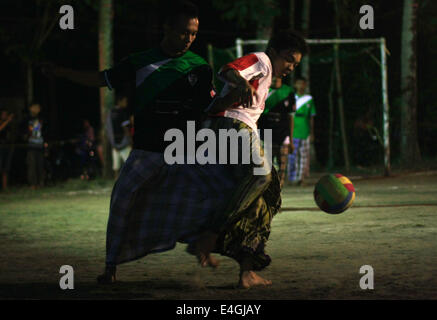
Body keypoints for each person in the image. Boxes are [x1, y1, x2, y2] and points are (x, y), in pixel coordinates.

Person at [42, 1, 220, 283]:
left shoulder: (199, 67)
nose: (189, 39)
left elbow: (211, 108)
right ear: (167, 29)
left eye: (194, 34)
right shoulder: (140, 61)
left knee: (211, 198)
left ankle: (205, 248)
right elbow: (103, 79)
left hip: (184, 151)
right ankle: (110, 267)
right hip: (147, 150)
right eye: (184, 32)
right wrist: (65, 73)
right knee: (122, 201)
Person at [199, 29, 307, 288]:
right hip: (230, 125)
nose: (291, 67)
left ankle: (246, 270)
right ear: (274, 51)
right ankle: (212, 235)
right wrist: (240, 82)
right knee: (262, 174)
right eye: (288, 59)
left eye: (295, 64)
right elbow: (227, 69)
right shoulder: (261, 60)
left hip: (240, 129)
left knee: (265, 199)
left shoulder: (270, 74)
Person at [258, 77, 296, 187]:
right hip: (266, 133)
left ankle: (278, 188)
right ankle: (266, 189)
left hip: (283, 133)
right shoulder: (263, 90)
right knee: (266, 165)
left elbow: (291, 117)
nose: (275, 79)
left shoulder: (288, 92)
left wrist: (291, 140)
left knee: (282, 165)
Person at [288, 76, 316, 185]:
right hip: (293, 132)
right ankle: (291, 178)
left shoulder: (308, 99)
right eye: (299, 83)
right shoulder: (292, 97)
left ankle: (301, 178)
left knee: (303, 157)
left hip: (305, 132)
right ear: (295, 85)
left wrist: (312, 132)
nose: (301, 86)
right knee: (292, 156)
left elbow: (311, 117)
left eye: (303, 84)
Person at [106, 95, 132, 179]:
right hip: (123, 142)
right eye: (125, 101)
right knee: (129, 164)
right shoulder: (122, 112)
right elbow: (125, 128)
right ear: (119, 101)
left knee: (116, 168)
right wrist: (130, 140)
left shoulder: (111, 112)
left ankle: (117, 183)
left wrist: (112, 143)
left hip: (115, 143)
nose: (126, 103)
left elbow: (109, 129)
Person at [22, 102, 47, 190]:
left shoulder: (41, 119)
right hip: (31, 145)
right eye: (36, 107)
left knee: (40, 165)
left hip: (40, 144)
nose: (38, 109)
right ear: (31, 108)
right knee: (32, 165)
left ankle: (41, 183)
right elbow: (23, 131)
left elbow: (44, 131)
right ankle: (33, 184)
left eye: (39, 107)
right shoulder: (27, 119)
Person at [0, 109, 15, 191]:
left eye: (6, 114)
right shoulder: (3, 123)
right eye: (3, 114)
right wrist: (7, 121)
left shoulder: (9, 125)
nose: (5, 116)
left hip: (7, 147)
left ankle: (5, 187)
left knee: (6, 169)